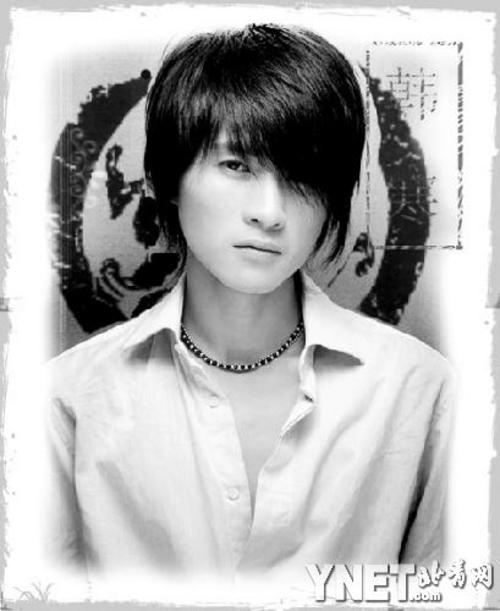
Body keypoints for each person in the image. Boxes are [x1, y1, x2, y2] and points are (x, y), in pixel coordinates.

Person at [44, 23, 455, 594]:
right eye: (237, 165)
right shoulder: (69, 398)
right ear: (169, 178)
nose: (269, 212)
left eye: (303, 175)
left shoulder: (419, 388)